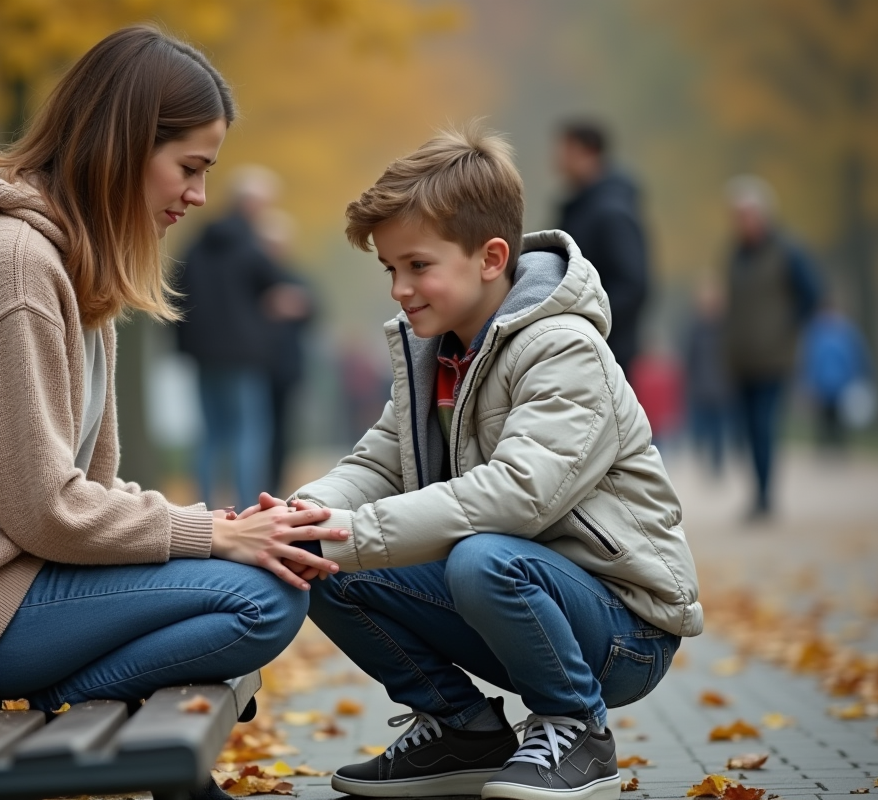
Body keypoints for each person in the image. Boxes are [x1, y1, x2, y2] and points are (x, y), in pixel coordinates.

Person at [0, 26, 349, 765]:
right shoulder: (13, 266)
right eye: (188, 166)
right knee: (263, 599)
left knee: (266, 572)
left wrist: (212, 524)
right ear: (123, 145)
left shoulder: (70, 266)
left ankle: (90, 718)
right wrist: (213, 537)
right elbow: (45, 506)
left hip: (12, 582)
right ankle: (63, 716)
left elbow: (85, 488)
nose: (198, 195)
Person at [282, 126, 701, 800]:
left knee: (477, 557)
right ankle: (463, 731)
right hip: (513, 592)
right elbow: (378, 463)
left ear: (490, 257)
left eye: (417, 266)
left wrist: (356, 534)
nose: (398, 287)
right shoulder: (435, 353)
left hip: (623, 627)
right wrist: (304, 514)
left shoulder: (563, 349)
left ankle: (577, 729)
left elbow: (516, 497)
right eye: (390, 269)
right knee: (321, 563)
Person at [175, 166, 292, 509]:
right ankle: (246, 507)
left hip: (202, 355)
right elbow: (278, 286)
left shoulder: (196, 246)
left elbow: (176, 296)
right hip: (244, 355)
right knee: (248, 434)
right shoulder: (248, 246)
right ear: (250, 203)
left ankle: (203, 507)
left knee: (210, 435)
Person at [722, 175, 820, 518]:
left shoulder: (788, 251)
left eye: (746, 214)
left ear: (762, 214)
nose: (742, 221)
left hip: (774, 357)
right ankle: (758, 492)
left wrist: (787, 327)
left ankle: (764, 497)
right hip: (742, 358)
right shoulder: (734, 254)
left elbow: (812, 294)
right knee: (747, 431)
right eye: (737, 215)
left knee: (764, 425)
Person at [555, 120, 650, 377]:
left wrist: (588, 319)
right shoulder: (579, 208)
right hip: (581, 344)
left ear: (588, 152)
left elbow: (632, 285)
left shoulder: (611, 212)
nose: (556, 158)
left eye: (565, 149)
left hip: (606, 350)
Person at [256, 208, 315, 495]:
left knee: (281, 432)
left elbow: (315, 311)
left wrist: (296, 305)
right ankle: (254, 483)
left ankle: (275, 485)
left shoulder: (296, 278)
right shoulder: (252, 278)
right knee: (255, 429)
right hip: (255, 366)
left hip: (286, 368)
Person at [799, 296, 874, 452]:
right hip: (822, 386)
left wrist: (860, 378)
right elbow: (808, 361)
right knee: (824, 422)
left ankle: (839, 451)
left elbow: (858, 357)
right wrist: (807, 383)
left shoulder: (847, 332)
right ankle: (826, 452)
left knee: (841, 422)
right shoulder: (815, 332)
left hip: (843, 386)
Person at [683, 280, 731, 474]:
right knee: (700, 428)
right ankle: (702, 458)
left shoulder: (725, 328)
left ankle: (717, 464)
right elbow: (690, 358)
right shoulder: (695, 329)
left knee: (719, 429)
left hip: (722, 387)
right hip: (700, 387)